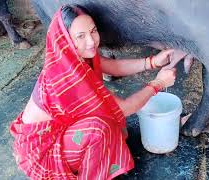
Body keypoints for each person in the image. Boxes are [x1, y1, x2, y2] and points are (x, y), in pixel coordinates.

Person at [10, 4, 187, 179]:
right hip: (42, 152)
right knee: (99, 128)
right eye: (81, 36)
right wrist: (158, 83)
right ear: (65, 39)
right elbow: (125, 108)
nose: (91, 41)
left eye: (93, 31)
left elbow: (112, 66)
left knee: (113, 125)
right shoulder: (67, 78)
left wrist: (153, 62)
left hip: (59, 129)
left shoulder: (71, 56)